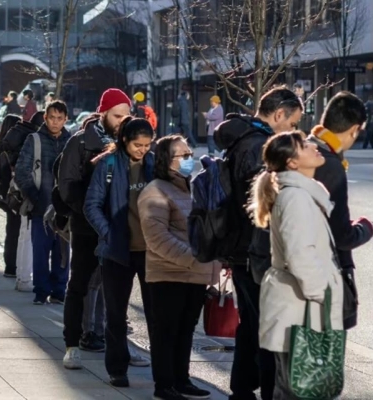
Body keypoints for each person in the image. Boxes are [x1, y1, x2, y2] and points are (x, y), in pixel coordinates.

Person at [214, 86, 303, 400]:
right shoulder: (258, 146)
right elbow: (261, 206)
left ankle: (241, 388)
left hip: (242, 250)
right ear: (278, 114)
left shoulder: (243, 139)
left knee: (251, 324)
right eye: (292, 123)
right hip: (256, 253)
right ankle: (265, 390)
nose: (293, 131)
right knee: (266, 328)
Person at [247, 131, 344, 399]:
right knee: (297, 388)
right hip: (300, 306)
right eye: (304, 145)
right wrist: (322, 293)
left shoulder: (299, 194)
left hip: (299, 305)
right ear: (291, 162)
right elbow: (300, 255)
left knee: (297, 386)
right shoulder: (296, 198)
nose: (314, 146)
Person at [139, 135, 221, 400]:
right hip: (168, 274)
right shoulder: (155, 190)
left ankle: (181, 379)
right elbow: (157, 238)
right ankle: (164, 385)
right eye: (183, 155)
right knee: (166, 332)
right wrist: (195, 257)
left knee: (186, 331)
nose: (189, 159)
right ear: (166, 159)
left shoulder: (189, 188)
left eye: (189, 154)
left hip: (194, 275)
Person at [58, 88, 131, 368]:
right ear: (103, 113)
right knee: (78, 285)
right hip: (88, 227)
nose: (122, 120)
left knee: (117, 290)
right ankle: (72, 343)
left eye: (126, 115)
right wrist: (93, 214)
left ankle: (118, 344)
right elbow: (67, 185)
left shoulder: (128, 141)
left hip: (121, 229)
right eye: (117, 115)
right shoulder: (80, 142)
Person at [84, 116, 155, 388]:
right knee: (115, 314)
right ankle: (117, 369)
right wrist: (110, 232)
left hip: (150, 251)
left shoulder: (153, 163)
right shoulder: (108, 165)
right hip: (116, 251)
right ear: (125, 140)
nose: (143, 150)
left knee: (156, 314)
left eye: (147, 144)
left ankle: (163, 371)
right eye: (138, 144)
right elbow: (92, 205)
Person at [308, 92, 373, 329]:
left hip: (293, 278)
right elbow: (341, 236)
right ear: (354, 129)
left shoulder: (305, 149)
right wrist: (365, 228)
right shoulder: (328, 163)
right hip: (323, 280)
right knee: (321, 360)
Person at [14, 100, 72, 305]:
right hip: (41, 205)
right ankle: (41, 290)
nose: (55, 122)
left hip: (64, 208)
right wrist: (34, 196)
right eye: (52, 117)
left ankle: (59, 290)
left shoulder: (72, 141)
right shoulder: (35, 140)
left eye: (59, 118)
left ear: (66, 119)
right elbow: (22, 171)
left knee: (62, 253)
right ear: (45, 117)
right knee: (40, 251)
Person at [0, 115, 23, 277]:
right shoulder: (14, 147)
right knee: (16, 231)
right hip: (15, 193)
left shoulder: (0, 145)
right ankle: (13, 265)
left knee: (11, 230)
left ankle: (10, 265)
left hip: (4, 195)